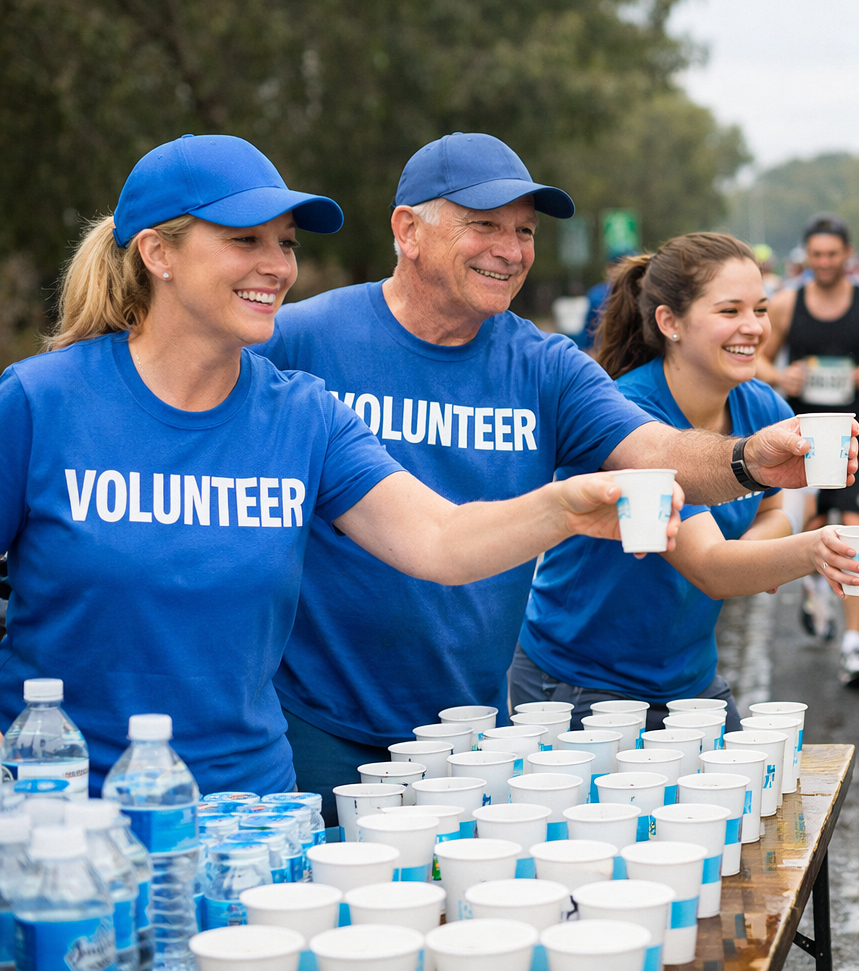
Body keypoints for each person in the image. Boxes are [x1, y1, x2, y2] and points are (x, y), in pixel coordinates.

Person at [0, 134, 648, 795]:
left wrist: (563, 506)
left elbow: (440, 541)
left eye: (285, 243)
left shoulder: (305, 416)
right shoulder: (40, 403)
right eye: (244, 240)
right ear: (158, 252)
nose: (277, 267)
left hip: (253, 817)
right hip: (65, 821)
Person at [253, 133, 846, 822]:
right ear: (407, 230)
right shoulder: (301, 339)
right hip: (318, 725)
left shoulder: (546, 366)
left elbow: (654, 448)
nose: (511, 250)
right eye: (484, 225)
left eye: (525, 231)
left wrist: (748, 460)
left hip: (474, 732)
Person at [514, 233, 859, 728]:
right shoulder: (625, 417)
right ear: (670, 322)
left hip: (688, 677)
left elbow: (777, 507)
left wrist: (763, 555)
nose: (753, 328)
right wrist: (810, 553)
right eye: (730, 311)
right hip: (579, 681)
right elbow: (712, 568)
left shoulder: (761, 405)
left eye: (761, 309)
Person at [756, 213, 859, 687]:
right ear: (807, 257)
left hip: (856, 438)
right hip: (803, 440)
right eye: (817, 254)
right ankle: (813, 586)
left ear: (847, 255)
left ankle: (854, 644)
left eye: (832, 254)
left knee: (855, 529)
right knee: (808, 527)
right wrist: (780, 377)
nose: (824, 262)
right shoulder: (786, 305)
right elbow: (756, 355)